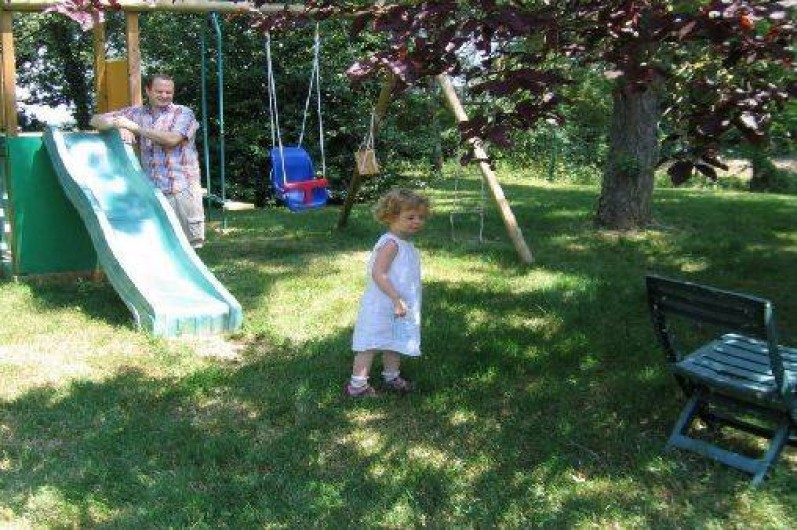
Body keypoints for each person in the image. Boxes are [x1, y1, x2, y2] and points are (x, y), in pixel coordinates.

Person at [89, 73, 205, 248]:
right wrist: (118, 126)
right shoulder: (136, 113)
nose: (164, 96)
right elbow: (95, 120)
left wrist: (134, 128)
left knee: (190, 244)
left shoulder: (183, 113)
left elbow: (172, 139)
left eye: (169, 92)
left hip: (182, 188)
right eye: (159, 91)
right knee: (161, 243)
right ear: (148, 91)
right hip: (154, 191)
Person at [345, 188, 431, 397]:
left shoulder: (405, 244)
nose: (417, 221)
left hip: (398, 305)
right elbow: (378, 273)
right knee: (371, 341)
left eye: (421, 217)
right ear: (391, 216)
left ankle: (391, 376)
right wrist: (396, 299)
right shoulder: (391, 244)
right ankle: (357, 386)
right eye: (410, 217)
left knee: (394, 340)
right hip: (384, 303)